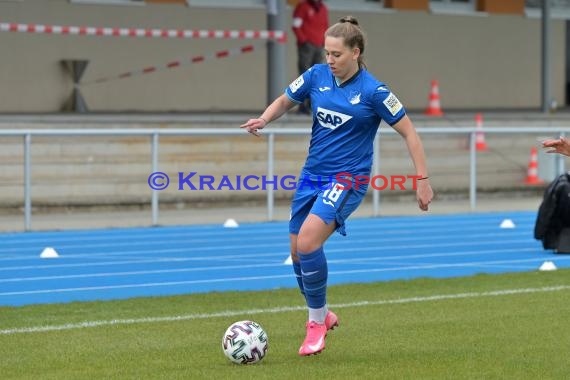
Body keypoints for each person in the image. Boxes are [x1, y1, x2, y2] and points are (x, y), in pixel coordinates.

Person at [240, 16, 433, 356]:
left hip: (348, 178)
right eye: (327, 53)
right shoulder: (316, 76)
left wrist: (422, 180)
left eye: (336, 54)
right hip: (312, 175)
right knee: (298, 253)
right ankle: (323, 313)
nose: (328, 60)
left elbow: (410, 133)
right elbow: (287, 99)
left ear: (355, 53)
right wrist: (265, 118)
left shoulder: (375, 91)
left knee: (310, 240)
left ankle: (314, 325)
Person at [291, 0, 328, 114]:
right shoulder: (303, 7)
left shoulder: (323, 8)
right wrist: (304, 41)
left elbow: (326, 26)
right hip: (307, 46)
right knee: (304, 75)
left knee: (317, 75)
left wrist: (324, 41)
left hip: (319, 45)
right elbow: (296, 26)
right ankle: (302, 105)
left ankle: (313, 104)